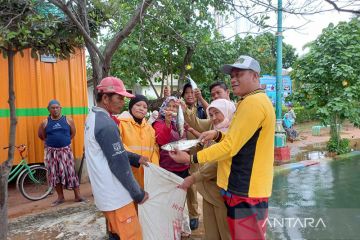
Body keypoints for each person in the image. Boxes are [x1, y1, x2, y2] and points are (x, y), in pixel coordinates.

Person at [170, 55, 276, 240]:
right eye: (232, 75)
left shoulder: (253, 103)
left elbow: (230, 146)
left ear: (255, 76)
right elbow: (239, 139)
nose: (233, 79)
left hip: (246, 189)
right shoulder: (250, 101)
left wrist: (191, 159)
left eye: (239, 74)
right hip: (243, 187)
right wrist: (217, 134)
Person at [84, 77, 149, 240]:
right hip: (117, 197)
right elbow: (119, 164)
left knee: (116, 235)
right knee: (131, 236)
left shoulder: (93, 117)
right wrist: (138, 194)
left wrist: (135, 158)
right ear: (105, 98)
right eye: (119, 98)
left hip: (105, 194)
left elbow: (109, 152)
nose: (122, 102)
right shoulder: (107, 124)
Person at [181, 99, 235, 240]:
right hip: (207, 192)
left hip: (221, 193)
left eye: (217, 113)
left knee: (226, 233)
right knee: (212, 234)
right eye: (211, 114)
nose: (214, 118)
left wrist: (193, 176)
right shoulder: (215, 132)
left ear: (228, 112)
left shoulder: (231, 134)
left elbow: (217, 163)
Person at [38, 99, 85, 207]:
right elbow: (41, 135)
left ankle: (77, 196)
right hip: (52, 152)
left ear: (60, 108)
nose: (55, 110)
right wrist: (52, 142)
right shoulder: (45, 122)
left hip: (65, 151)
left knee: (71, 172)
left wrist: (64, 142)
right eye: (52, 108)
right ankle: (60, 197)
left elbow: (73, 133)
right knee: (54, 174)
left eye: (57, 107)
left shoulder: (68, 120)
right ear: (48, 109)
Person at [118, 94, 160, 188]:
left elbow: (154, 149)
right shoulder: (121, 124)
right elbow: (118, 145)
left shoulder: (149, 128)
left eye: (145, 107)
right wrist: (136, 158)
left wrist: (154, 167)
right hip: (128, 174)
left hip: (147, 176)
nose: (141, 108)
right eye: (138, 105)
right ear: (131, 107)